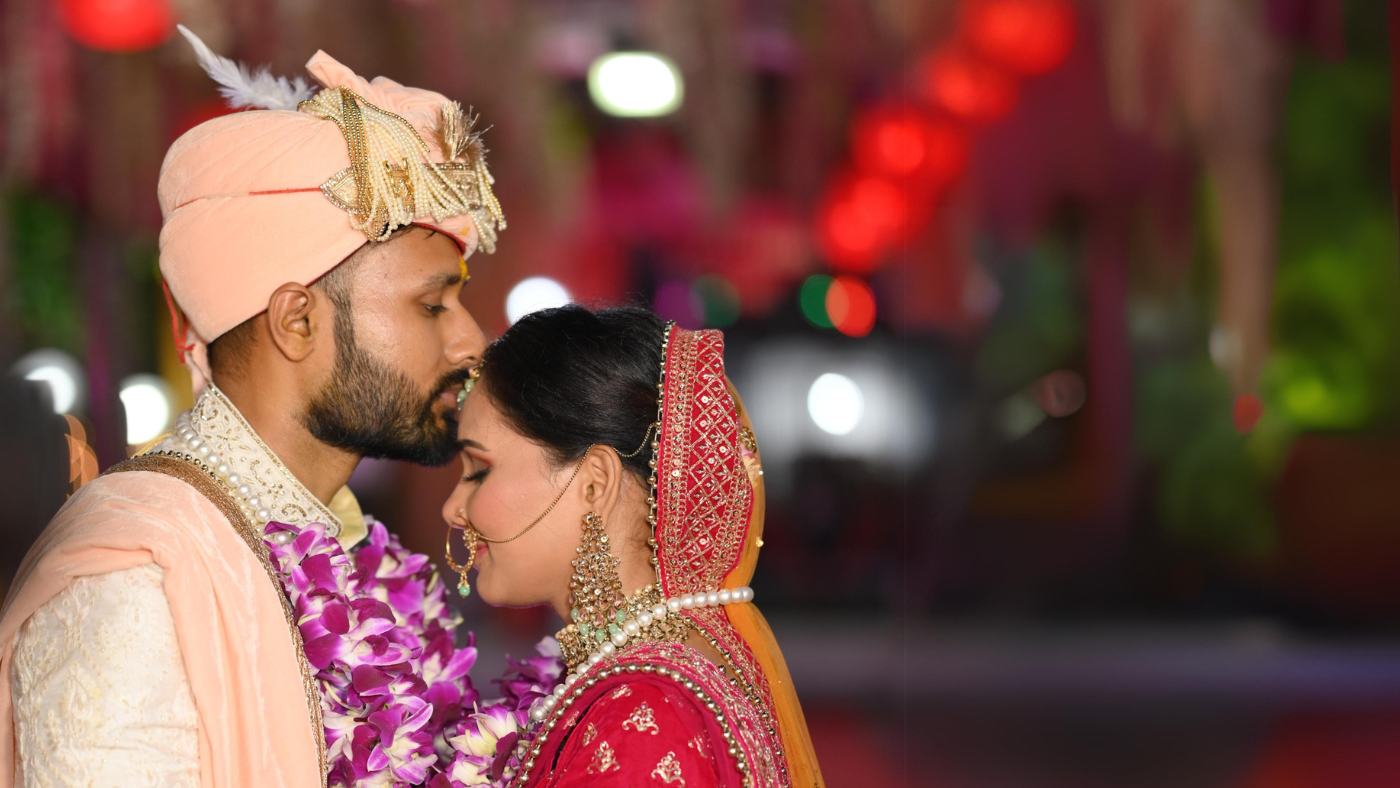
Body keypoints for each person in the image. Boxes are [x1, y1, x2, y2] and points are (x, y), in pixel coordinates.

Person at [0, 28, 504, 788]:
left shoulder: (348, 548)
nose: (471, 342)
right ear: (296, 321)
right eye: (432, 305)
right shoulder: (136, 587)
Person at [443, 305, 825, 788]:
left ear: (594, 484)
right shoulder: (667, 669)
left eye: (479, 471)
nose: (452, 509)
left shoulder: (643, 717)